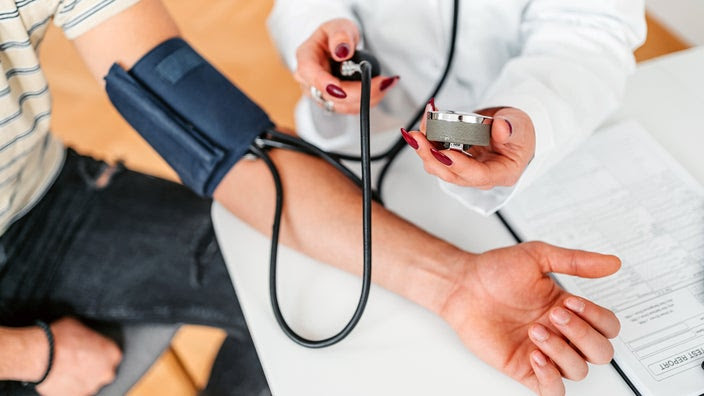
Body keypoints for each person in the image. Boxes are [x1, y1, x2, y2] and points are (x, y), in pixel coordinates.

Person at [0, 1, 620, 395]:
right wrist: (35, 353)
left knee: (318, 305)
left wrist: (456, 282)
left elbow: (223, 145)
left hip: (38, 197)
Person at [267, 0, 647, 215]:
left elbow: (592, 28)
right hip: (373, 136)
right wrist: (320, 37)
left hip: (542, 149)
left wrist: (532, 111)